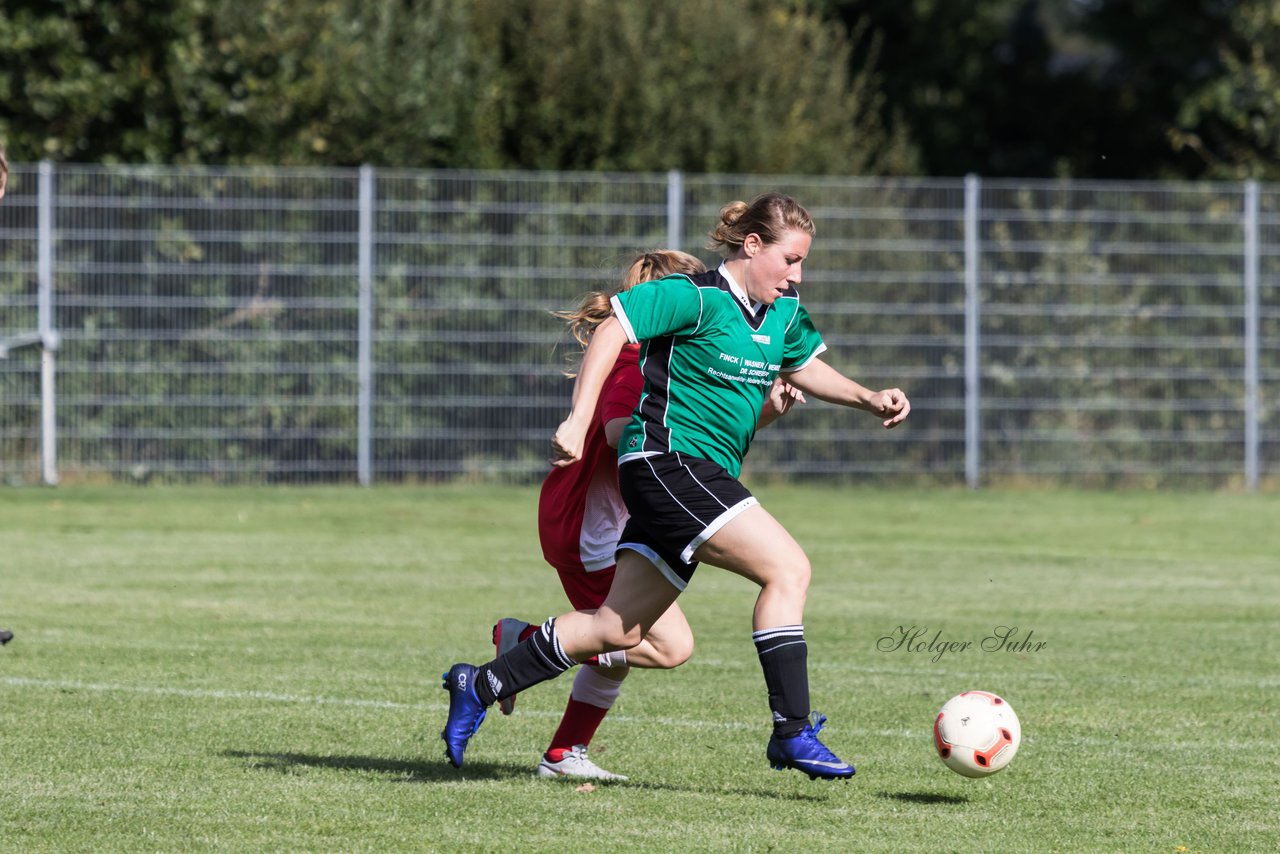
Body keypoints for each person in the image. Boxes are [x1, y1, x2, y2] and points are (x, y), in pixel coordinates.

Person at [442, 192, 910, 781]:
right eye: (790, 260)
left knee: (616, 629)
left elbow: (806, 367)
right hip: (668, 463)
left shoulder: (784, 314)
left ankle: (481, 683)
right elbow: (615, 328)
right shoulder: (696, 295)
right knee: (787, 570)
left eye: (803, 263)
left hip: (691, 475)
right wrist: (578, 419)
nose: (797, 274)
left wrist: (868, 398)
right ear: (753, 245)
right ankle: (791, 730)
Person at [493, 249, 805, 781]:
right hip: (593, 529)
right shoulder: (634, 361)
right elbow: (618, 433)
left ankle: (563, 750)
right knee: (659, 644)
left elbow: (704, 430)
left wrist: (767, 409)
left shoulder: (671, 359)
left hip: (627, 520)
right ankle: (524, 649)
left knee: (635, 636)